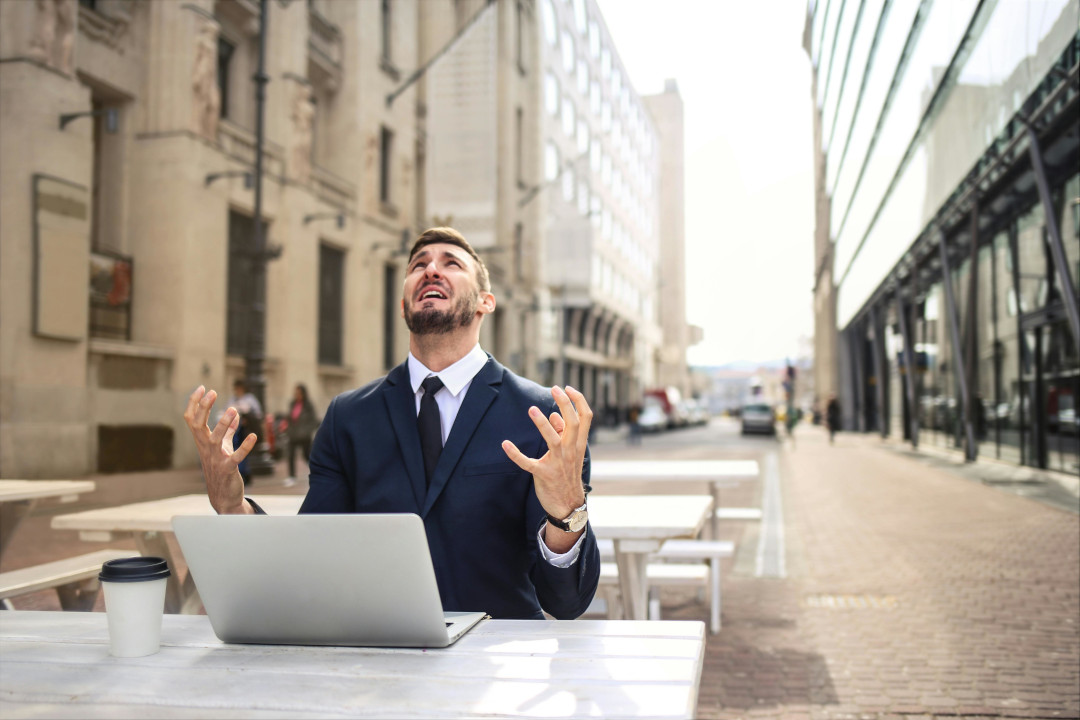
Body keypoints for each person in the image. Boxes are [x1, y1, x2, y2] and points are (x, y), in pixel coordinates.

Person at [183, 227, 600, 620]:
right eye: (418, 264)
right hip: (378, 652)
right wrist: (232, 507)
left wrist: (568, 511)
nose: (431, 269)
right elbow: (308, 558)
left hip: (495, 655)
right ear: (403, 306)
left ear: (485, 303)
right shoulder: (348, 417)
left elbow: (566, 602)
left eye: (451, 263)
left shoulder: (543, 416)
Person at [225, 379, 262, 485]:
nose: (238, 390)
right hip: (235, 430)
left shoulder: (250, 399)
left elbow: (257, 414)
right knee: (236, 450)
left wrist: (247, 416)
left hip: (246, 429)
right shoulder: (232, 400)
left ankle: (245, 473)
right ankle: (239, 472)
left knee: (245, 450)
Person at [285, 384, 318, 484]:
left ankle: (316, 473)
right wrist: (288, 430)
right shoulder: (293, 404)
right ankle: (291, 476)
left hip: (304, 436)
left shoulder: (308, 405)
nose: (297, 395)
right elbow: (289, 418)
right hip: (293, 434)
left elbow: (314, 420)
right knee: (290, 455)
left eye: (299, 393)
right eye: (296, 393)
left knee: (307, 456)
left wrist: (307, 431)